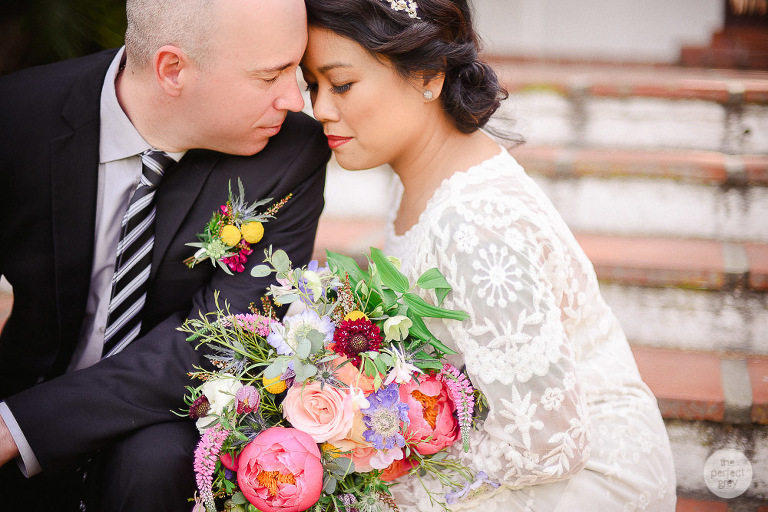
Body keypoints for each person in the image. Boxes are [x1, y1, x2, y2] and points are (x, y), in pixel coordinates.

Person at [300, 0, 677, 509]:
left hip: (584, 476)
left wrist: (377, 486)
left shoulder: (473, 225)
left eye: (340, 84)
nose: (321, 107)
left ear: (428, 76)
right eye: (313, 86)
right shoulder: (421, 179)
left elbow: (549, 445)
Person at [0, 0, 330, 510]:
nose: (294, 99)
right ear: (172, 69)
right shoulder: (18, 118)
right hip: (23, 378)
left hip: (164, 412)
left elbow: (225, 335)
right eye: (270, 76)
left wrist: (16, 427)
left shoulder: (291, 152)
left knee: (153, 461)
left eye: (297, 70)